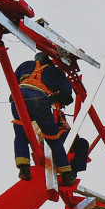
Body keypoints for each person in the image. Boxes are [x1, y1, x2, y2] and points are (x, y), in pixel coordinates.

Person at [11, 53, 76, 186]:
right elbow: (67, 95)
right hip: (39, 98)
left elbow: (13, 80)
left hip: (18, 96)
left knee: (21, 133)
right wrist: (53, 99)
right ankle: (67, 174)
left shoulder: (25, 64)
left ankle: (23, 169)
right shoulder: (55, 71)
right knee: (53, 138)